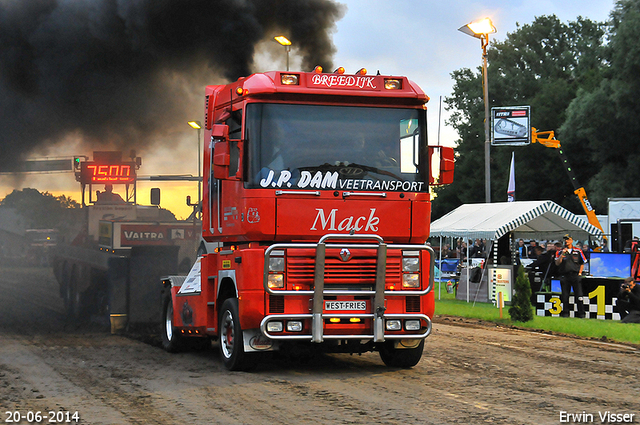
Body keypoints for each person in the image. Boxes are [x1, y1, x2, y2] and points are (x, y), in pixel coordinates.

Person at [555, 234, 587, 318]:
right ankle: (565, 313)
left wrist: (580, 273)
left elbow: (582, 262)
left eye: (568, 239)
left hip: (575, 275)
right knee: (565, 296)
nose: (566, 241)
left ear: (572, 240)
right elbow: (557, 263)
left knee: (579, 295)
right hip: (564, 276)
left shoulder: (578, 250)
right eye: (565, 240)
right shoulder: (560, 251)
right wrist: (562, 254)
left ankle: (581, 313)